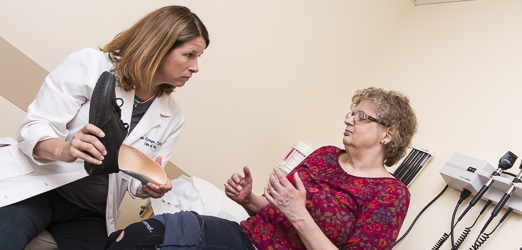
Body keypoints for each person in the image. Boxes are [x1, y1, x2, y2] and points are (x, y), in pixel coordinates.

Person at [0, 5, 209, 249]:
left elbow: (134, 181)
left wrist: (147, 187)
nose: (196, 67)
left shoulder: (172, 116)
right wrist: (64, 150)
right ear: (159, 47)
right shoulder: (90, 64)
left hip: (89, 212)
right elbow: (34, 126)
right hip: (39, 187)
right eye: (189, 55)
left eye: (198, 58)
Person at [105, 87, 417, 250]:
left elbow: (295, 212)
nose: (349, 120)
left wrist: (298, 213)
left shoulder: (390, 193)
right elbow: (279, 210)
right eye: (351, 113)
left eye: (361, 117)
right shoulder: (324, 155)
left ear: (388, 134)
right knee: (135, 237)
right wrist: (248, 200)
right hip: (244, 235)